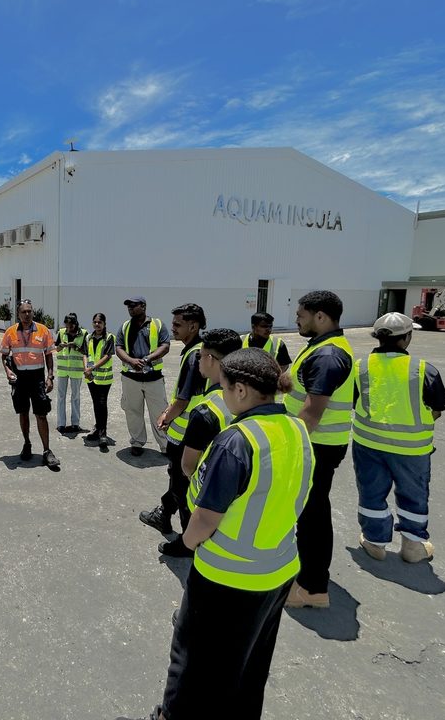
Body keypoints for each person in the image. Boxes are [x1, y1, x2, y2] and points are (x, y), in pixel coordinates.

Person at [133, 348, 313, 720]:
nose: (223, 395)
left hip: (227, 575)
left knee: (191, 658)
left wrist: (185, 542)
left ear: (242, 390)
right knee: (249, 661)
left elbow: (204, 519)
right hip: (278, 568)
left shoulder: (237, 441)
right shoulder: (296, 427)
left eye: (225, 387)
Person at [352, 312, 445, 563]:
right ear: (406, 338)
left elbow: (354, 402)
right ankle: (413, 547)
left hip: (368, 444)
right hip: (411, 449)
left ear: (377, 337)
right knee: (413, 495)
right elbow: (436, 409)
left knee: (371, 492)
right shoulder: (423, 369)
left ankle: (375, 543)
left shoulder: (360, 367)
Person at [283, 290, 355, 609]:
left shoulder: (327, 356)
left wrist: (286, 446)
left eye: (301, 315)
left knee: (312, 515)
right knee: (308, 511)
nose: (296, 319)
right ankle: (308, 576)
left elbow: (312, 413)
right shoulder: (321, 348)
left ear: (320, 317)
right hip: (317, 445)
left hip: (316, 446)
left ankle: (313, 588)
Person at [151, 327, 240, 557]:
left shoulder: (207, 410)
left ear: (210, 359)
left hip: (207, 487)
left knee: (183, 492)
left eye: (200, 354)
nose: (197, 358)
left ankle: (187, 544)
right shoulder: (242, 396)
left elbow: (188, 467)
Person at [138, 304, 204, 548]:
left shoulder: (194, 355)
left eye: (177, 324)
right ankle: (164, 515)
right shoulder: (198, 350)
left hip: (186, 434)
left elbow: (184, 399)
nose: (173, 328)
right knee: (178, 481)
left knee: (182, 486)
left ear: (193, 326)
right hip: (194, 431)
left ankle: (186, 542)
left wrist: (165, 417)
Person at [0, 299, 60, 470]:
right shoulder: (10, 332)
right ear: (18, 314)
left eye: (29, 311)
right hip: (19, 379)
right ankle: (27, 443)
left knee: (41, 414)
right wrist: (7, 371)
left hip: (37, 377)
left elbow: (48, 354)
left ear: (33, 313)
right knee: (23, 412)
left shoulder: (43, 330)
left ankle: (47, 451)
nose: (27, 315)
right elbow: (4, 355)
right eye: (23, 312)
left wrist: (50, 376)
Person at [115, 295, 171, 456]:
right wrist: (131, 361)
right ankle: (137, 442)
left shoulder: (157, 324)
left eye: (133, 305)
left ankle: (165, 445)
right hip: (131, 378)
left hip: (153, 378)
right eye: (128, 306)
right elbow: (118, 348)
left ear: (143, 306)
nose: (130, 308)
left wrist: (147, 359)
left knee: (160, 412)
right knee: (133, 412)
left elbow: (165, 345)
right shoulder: (125, 326)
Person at [83, 312, 114, 452]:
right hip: (91, 377)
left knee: (102, 404)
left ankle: (103, 434)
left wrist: (92, 368)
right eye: (95, 322)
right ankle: (97, 429)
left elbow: (107, 356)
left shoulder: (109, 337)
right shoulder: (88, 337)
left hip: (104, 378)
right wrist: (86, 369)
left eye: (99, 322)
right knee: (96, 404)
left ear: (104, 324)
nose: (97, 324)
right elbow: (84, 353)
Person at [54, 313, 88, 434]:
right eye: (67, 326)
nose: (68, 328)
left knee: (75, 397)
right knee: (61, 397)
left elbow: (86, 351)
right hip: (63, 369)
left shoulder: (84, 333)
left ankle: (75, 424)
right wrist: (61, 346)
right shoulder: (61, 332)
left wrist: (76, 347)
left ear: (75, 324)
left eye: (71, 326)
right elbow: (56, 348)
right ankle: (61, 424)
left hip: (76, 370)